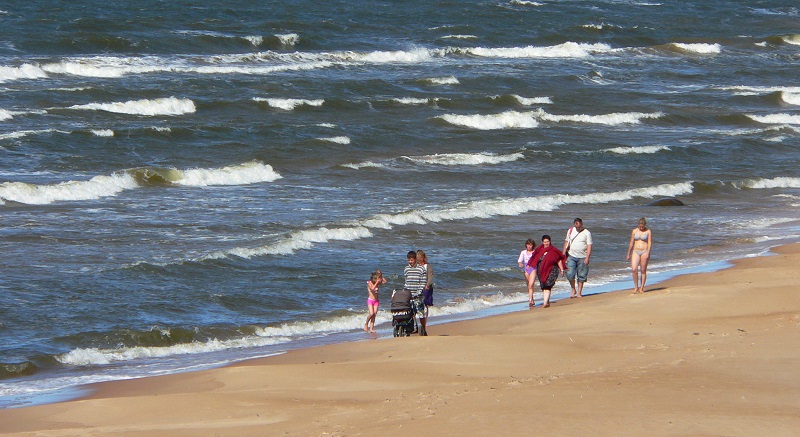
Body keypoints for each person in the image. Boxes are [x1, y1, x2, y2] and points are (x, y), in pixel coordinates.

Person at [526, 235, 566, 308]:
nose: (546, 243)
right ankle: (547, 302)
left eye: (547, 241)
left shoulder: (553, 250)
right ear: (542, 242)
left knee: (547, 286)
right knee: (543, 286)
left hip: (552, 270)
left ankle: (545, 303)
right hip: (541, 270)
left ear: (550, 242)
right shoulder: (539, 250)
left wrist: (562, 269)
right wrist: (529, 265)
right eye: (545, 242)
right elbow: (533, 258)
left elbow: (559, 260)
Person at [563, 218, 593, 298]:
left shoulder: (587, 233)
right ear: (574, 225)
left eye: (579, 227)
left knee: (582, 275)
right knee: (569, 274)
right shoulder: (571, 231)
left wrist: (587, 257)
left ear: (582, 224)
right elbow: (566, 242)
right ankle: (573, 289)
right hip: (571, 255)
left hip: (583, 257)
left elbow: (589, 246)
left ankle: (579, 292)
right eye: (577, 227)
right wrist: (563, 254)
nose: (578, 228)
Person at [403, 250, 428, 336]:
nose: (410, 262)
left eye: (412, 260)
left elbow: (423, 282)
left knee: (420, 312)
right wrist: (405, 291)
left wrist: (419, 291)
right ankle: (410, 327)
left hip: (418, 296)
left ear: (415, 260)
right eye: (409, 260)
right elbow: (406, 281)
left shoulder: (421, 269)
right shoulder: (406, 269)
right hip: (409, 295)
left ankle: (423, 328)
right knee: (410, 312)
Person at [626, 217, 652, 294]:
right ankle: (636, 287)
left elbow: (650, 242)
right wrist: (628, 253)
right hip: (635, 251)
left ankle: (642, 288)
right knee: (634, 269)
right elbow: (631, 243)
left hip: (644, 251)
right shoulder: (634, 231)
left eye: (642, 226)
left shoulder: (648, 231)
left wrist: (648, 252)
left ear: (644, 225)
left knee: (643, 270)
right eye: (640, 226)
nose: (641, 227)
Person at [517, 239, 537, 307]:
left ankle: (530, 301)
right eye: (528, 245)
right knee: (529, 286)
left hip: (533, 269)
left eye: (530, 245)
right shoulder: (523, 252)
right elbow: (520, 260)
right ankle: (532, 299)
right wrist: (520, 264)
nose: (529, 246)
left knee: (531, 285)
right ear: (526, 245)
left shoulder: (535, 252)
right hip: (526, 269)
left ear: (532, 246)